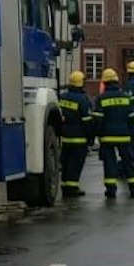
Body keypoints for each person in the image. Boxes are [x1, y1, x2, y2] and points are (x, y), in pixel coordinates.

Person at [95, 68, 134, 198]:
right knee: (128, 162)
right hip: (124, 135)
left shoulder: (101, 98)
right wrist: (130, 133)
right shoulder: (126, 97)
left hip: (107, 137)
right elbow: (132, 117)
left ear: (105, 83)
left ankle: (111, 190)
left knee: (109, 163)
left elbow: (98, 120)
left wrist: (98, 135)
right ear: (116, 81)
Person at [57, 69, 94, 199]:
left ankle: (64, 186)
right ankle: (72, 188)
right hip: (79, 137)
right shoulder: (83, 100)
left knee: (65, 162)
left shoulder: (62, 96)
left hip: (65, 137)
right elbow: (87, 121)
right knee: (75, 163)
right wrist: (91, 138)